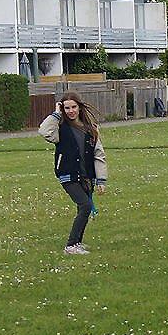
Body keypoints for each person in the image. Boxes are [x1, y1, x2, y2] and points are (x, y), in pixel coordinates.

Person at [39, 92, 108, 255]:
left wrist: (101, 180)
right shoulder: (59, 129)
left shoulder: (91, 129)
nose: (70, 111)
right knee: (85, 206)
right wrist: (56, 114)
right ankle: (70, 246)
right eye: (66, 108)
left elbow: (99, 155)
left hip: (87, 177)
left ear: (79, 107)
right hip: (68, 175)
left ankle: (77, 242)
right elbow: (43, 131)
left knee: (82, 209)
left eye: (73, 107)